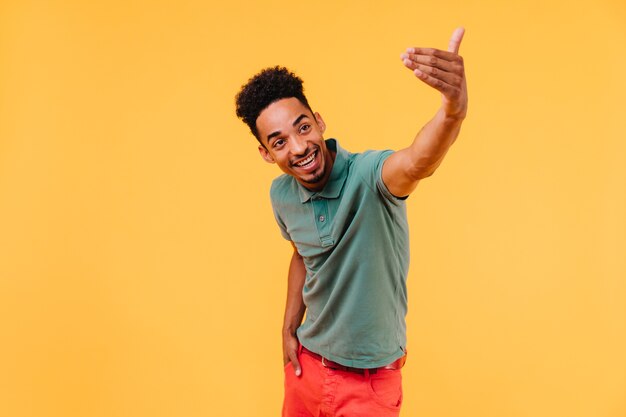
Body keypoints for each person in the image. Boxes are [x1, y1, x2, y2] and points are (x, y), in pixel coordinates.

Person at [235, 27, 467, 417]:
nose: (298, 147)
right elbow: (301, 252)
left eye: (302, 127)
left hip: (368, 386)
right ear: (265, 153)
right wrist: (288, 328)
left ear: (319, 122)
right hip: (306, 371)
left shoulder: (370, 176)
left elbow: (416, 160)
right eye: (279, 142)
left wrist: (453, 110)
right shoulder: (282, 195)